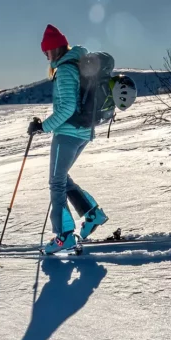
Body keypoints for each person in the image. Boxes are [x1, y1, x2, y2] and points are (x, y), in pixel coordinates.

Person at [28, 24, 108, 255]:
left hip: (68, 133)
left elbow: (67, 107)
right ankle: (92, 213)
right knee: (62, 177)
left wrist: (43, 126)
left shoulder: (64, 70)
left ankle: (64, 236)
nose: (45, 55)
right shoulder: (77, 63)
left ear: (55, 50)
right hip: (83, 132)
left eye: (47, 51)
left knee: (57, 183)